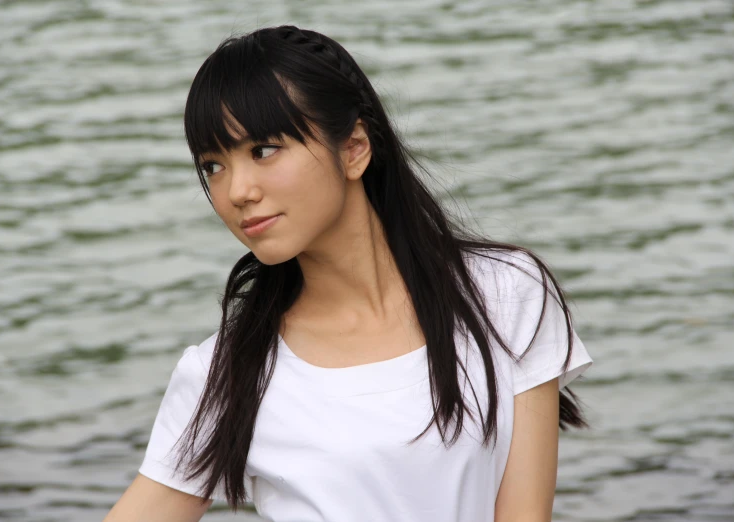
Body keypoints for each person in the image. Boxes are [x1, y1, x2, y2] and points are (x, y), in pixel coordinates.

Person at [103, 25, 594, 522]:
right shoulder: (229, 374)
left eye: (263, 150)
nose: (237, 191)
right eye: (213, 166)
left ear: (355, 148)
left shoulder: (506, 294)